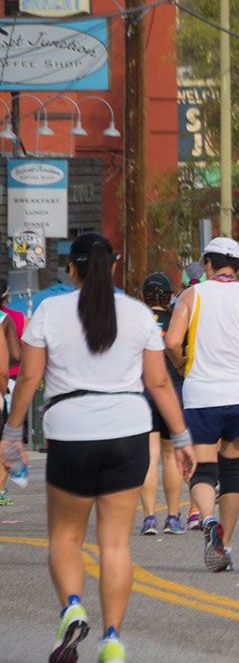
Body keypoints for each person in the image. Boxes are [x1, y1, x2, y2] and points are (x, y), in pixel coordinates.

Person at [1, 233, 196, 663]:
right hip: (127, 432)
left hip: (70, 432)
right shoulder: (139, 314)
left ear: (71, 268)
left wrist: (12, 431)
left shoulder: (49, 312)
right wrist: (181, 437)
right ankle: (111, 641)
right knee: (114, 545)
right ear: (112, 267)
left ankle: (72, 606)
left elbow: (29, 379)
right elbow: (159, 382)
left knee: (66, 538)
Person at [166, 237, 239, 573]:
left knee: (202, 469)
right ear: (238, 267)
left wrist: (183, 363)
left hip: (202, 395)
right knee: (232, 470)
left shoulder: (190, 295)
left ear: (207, 264)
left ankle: (209, 519)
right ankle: (225, 546)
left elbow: (172, 341)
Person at [137, 272, 189, 536]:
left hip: (143, 393)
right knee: (172, 456)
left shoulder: (136, 321)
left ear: (142, 296)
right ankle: (172, 517)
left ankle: (148, 518)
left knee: (149, 456)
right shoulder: (177, 320)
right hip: (172, 393)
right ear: (169, 297)